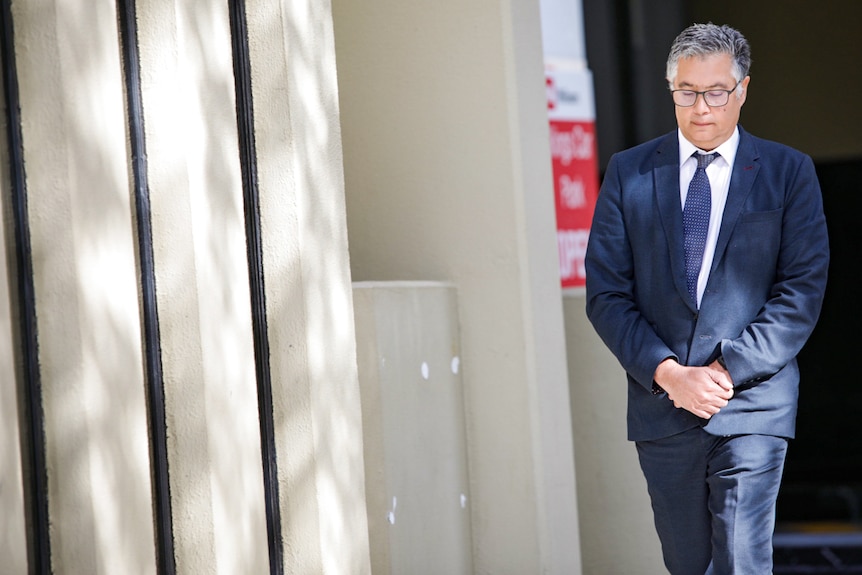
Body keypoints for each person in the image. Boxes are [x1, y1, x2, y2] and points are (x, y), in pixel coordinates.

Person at [584, 23, 829, 574]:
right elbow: (606, 293)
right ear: (672, 90)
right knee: (687, 563)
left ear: (742, 89)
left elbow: (801, 291)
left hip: (752, 404)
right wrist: (670, 374)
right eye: (687, 92)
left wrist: (725, 371)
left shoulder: (789, 172)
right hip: (663, 407)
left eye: (716, 91)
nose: (702, 107)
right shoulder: (629, 173)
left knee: (743, 559)